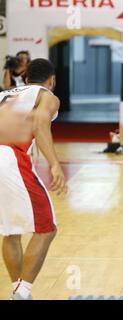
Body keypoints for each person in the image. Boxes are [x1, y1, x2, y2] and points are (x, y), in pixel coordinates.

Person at [0, 58, 67, 300]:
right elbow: (40, 125)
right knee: (47, 228)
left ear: (26, 78)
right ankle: (23, 290)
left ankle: (19, 290)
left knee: (11, 230)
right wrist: (55, 164)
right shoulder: (46, 94)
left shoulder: (5, 92)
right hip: (9, 157)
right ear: (52, 80)